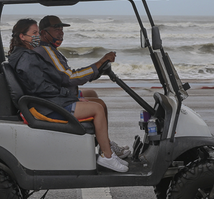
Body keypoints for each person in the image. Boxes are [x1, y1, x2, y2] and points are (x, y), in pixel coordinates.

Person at [7, 18, 128, 172]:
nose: (61, 32)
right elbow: (57, 82)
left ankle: (106, 148)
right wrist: (69, 95)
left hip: (45, 100)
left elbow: (49, 81)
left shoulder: (27, 53)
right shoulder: (32, 56)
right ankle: (107, 156)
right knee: (97, 108)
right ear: (22, 36)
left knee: (95, 98)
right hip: (46, 105)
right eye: (34, 33)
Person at [35, 15, 130, 158]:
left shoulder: (50, 49)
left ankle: (106, 143)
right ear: (43, 33)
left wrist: (97, 68)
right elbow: (70, 77)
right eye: (56, 29)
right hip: (55, 102)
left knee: (92, 94)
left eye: (61, 29)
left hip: (58, 94)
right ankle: (107, 154)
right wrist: (100, 62)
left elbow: (65, 77)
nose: (60, 32)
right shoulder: (46, 50)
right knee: (99, 105)